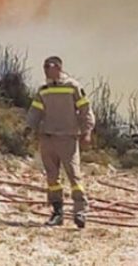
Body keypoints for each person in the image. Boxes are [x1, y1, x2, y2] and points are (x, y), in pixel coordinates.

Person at [25, 56, 96, 228]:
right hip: (47, 138)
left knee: (74, 176)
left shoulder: (72, 87)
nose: (45, 71)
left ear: (57, 67)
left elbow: (85, 110)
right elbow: (35, 111)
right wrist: (29, 128)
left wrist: (87, 132)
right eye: (43, 67)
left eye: (47, 67)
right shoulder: (43, 90)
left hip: (67, 138)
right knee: (52, 178)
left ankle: (80, 211)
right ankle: (57, 213)